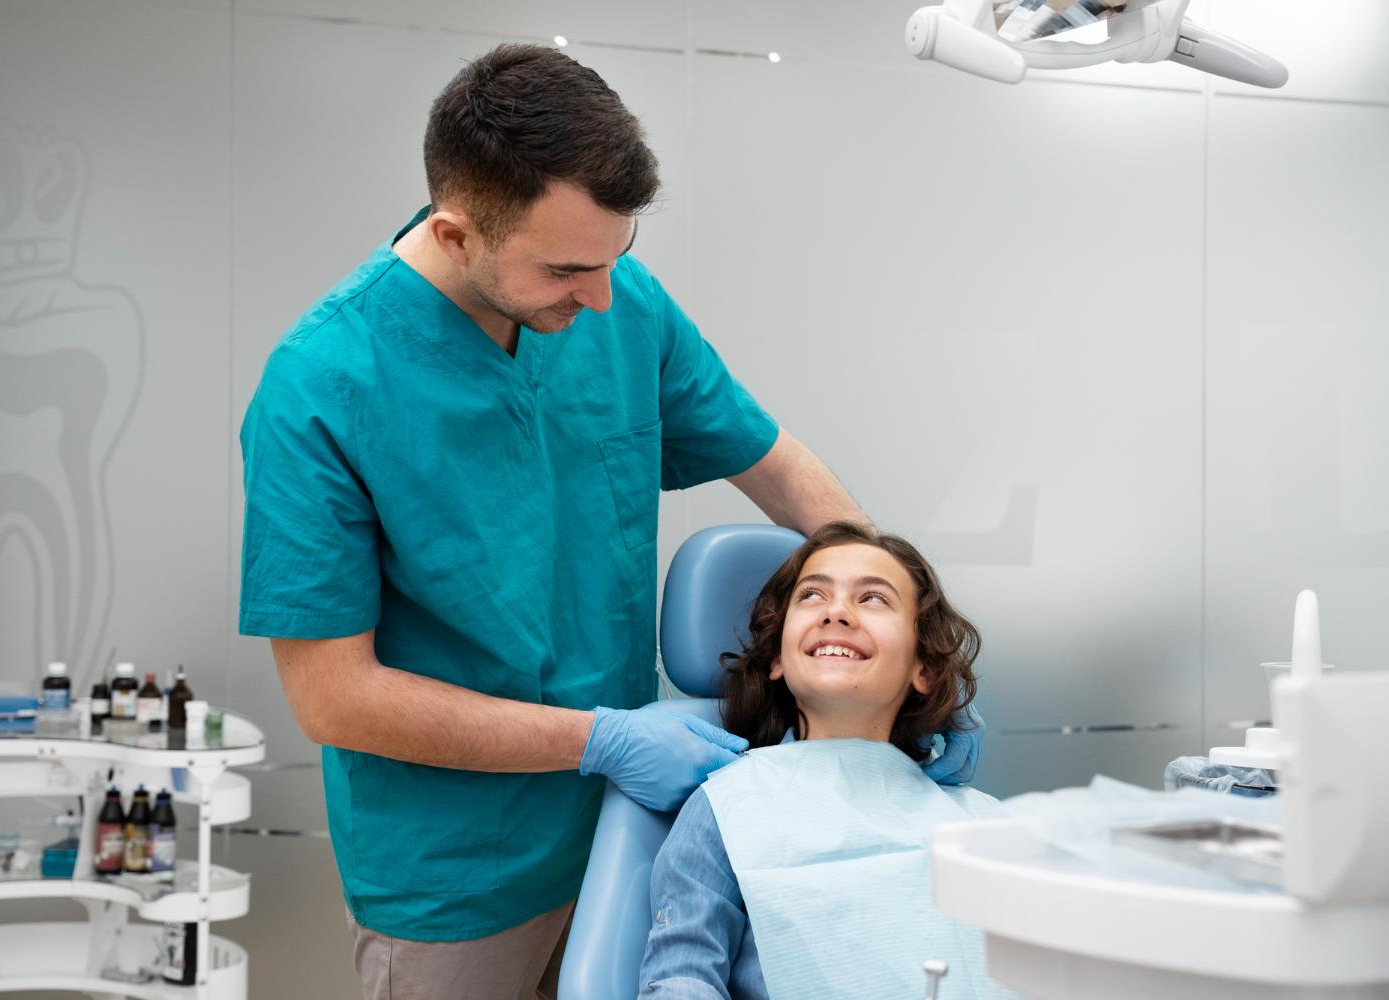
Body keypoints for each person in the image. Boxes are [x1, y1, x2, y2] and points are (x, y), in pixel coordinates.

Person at [239, 44, 982, 1000]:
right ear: (457, 234)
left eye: (613, 257)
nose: (598, 298)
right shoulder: (323, 388)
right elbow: (333, 698)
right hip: (458, 874)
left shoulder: (616, 300)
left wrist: (913, 631)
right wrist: (602, 740)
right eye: (562, 270)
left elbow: (780, 466)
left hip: (632, 837)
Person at [639, 521, 1010, 999]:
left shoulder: (984, 823)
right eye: (812, 595)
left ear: (925, 668)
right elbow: (681, 978)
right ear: (776, 657)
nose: (837, 612)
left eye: (874, 598)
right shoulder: (727, 807)